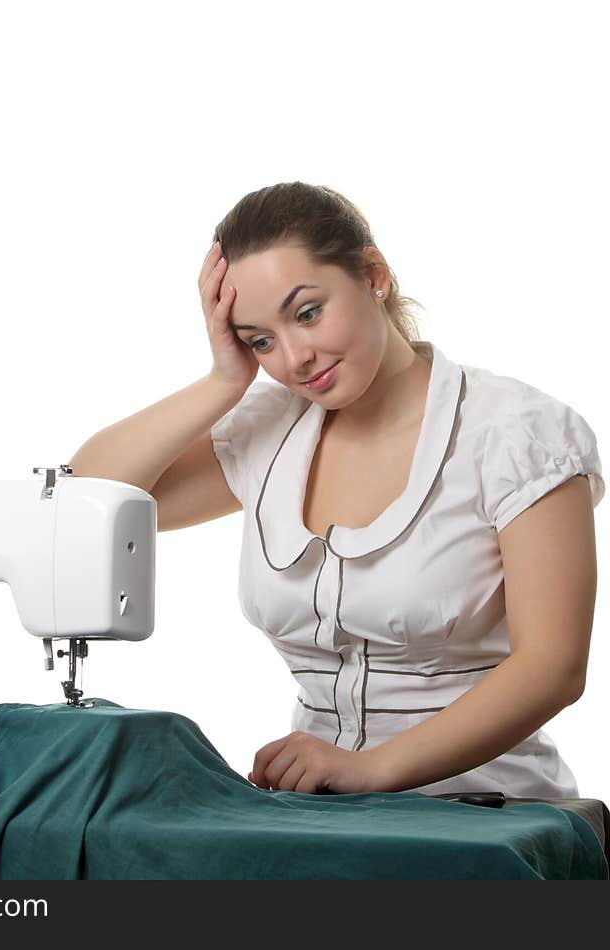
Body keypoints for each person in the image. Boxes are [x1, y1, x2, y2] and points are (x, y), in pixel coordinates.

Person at [69, 181, 604, 799]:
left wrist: (368, 769)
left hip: (494, 815)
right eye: (260, 339)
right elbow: (85, 501)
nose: (296, 356)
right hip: (321, 815)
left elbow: (553, 668)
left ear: (373, 274)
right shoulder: (271, 427)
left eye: (307, 313)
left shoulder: (517, 433)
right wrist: (223, 381)